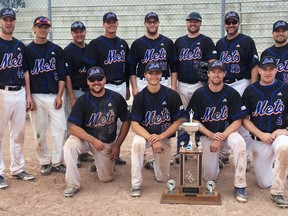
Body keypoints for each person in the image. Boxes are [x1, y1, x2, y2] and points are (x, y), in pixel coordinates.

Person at [63, 66, 131, 197]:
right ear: (88, 82)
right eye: (92, 79)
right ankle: (72, 184)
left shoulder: (116, 98)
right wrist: (93, 140)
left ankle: (99, 163)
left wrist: (117, 145)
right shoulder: (83, 100)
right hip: (85, 139)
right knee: (69, 146)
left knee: (107, 178)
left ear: (105, 79)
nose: (96, 82)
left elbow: (126, 121)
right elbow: (72, 127)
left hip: (105, 142)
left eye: (99, 78)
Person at [186, 60, 248, 203]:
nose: (216, 74)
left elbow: (238, 121)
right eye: (213, 71)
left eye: (220, 71)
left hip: (227, 134)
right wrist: (211, 135)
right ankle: (217, 161)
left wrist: (220, 137)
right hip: (208, 135)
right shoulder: (199, 94)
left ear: (224, 74)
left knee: (239, 143)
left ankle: (240, 185)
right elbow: (193, 120)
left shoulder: (231, 93)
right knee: (210, 178)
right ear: (208, 74)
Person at [130, 61, 185, 197]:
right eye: (151, 73)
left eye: (157, 73)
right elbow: (134, 125)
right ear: (145, 76)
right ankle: (136, 184)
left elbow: (178, 122)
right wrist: (152, 139)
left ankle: (154, 162)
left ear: (161, 75)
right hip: (145, 135)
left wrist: (160, 137)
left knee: (163, 178)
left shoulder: (172, 95)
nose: (154, 76)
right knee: (137, 144)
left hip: (163, 136)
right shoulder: (140, 97)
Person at [82, 12, 130, 165]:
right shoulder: (96, 44)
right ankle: (99, 157)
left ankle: (115, 153)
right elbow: (90, 70)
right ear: (103, 24)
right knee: (103, 122)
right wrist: (93, 88)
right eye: (108, 22)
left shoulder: (123, 43)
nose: (111, 24)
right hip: (104, 86)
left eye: (113, 21)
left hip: (121, 85)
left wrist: (128, 86)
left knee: (117, 123)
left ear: (117, 23)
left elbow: (127, 68)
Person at [242, 56, 288, 208]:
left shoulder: (285, 88)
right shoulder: (250, 90)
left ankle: (278, 192)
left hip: (278, 136)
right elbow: (244, 119)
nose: (268, 72)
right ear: (259, 70)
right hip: (258, 139)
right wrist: (260, 134)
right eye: (265, 69)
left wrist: (285, 130)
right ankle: (279, 167)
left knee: (284, 147)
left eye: (271, 69)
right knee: (263, 183)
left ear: (276, 70)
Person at [216, 11, 259, 169]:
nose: (231, 25)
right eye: (228, 22)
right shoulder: (220, 44)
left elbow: (254, 64)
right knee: (223, 118)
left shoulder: (247, 41)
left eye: (234, 22)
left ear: (238, 24)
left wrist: (253, 87)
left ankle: (245, 157)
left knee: (242, 120)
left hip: (241, 82)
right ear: (225, 24)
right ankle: (223, 153)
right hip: (225, 84)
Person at [26, 16, 67, 176]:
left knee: (61, 129)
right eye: (40, 26)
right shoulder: (28, 50)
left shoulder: (56, 49)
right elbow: (26, 74)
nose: (43, 29)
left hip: (54, 96)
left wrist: (59, 95)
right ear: (34, 29)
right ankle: (44, 161)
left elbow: (62, 76)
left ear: (49, 29)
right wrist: (29, 96)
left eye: (46, 27)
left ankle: (57, 162)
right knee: (39, 132)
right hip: (36, 96)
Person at [174, 11, 217, 162]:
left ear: (200, 23)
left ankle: (201, 148)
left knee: (202, 116)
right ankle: (182, 149)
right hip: (182, 84)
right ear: (186, 23)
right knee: (183, 117)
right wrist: (174, 85)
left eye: (196, 21)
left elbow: (212, 62)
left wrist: (208, 79)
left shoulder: (206, 41)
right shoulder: (179, 42)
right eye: (190, 21)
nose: (193, 24)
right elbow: (174, 66)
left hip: (200, 85)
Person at [0, 8, 34, 189]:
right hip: (1, 92)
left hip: (20, 92)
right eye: (5, 19)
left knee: (18, 133)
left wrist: (28, 94)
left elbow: (26, 71)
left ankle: (17, 168)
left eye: (11, 19)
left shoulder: (21, 46)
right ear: (0, 21)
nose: (9, 22)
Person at [63, 21, 94, 164]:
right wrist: (71, 96)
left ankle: (83, 152)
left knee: (86, 123)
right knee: (72, 124)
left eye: (81, 31)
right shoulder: (68, 51)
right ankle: (69, 155)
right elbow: (67, 75)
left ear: (85, 32)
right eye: (76, 31)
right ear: (72, 34)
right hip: (75, 91)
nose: (79, 34)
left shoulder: (89, 48)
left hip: (88, 92)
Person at [127, 12, 178, 96]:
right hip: (143, 82)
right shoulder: (137, 43)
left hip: (163, 81)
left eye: (154, 22)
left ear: (158, 23)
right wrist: (134, 87)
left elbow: (174, 65)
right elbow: (131, 66)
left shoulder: (167, 42)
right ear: (145, 24)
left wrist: (173, 85)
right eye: (149, 22)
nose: (152, 24)